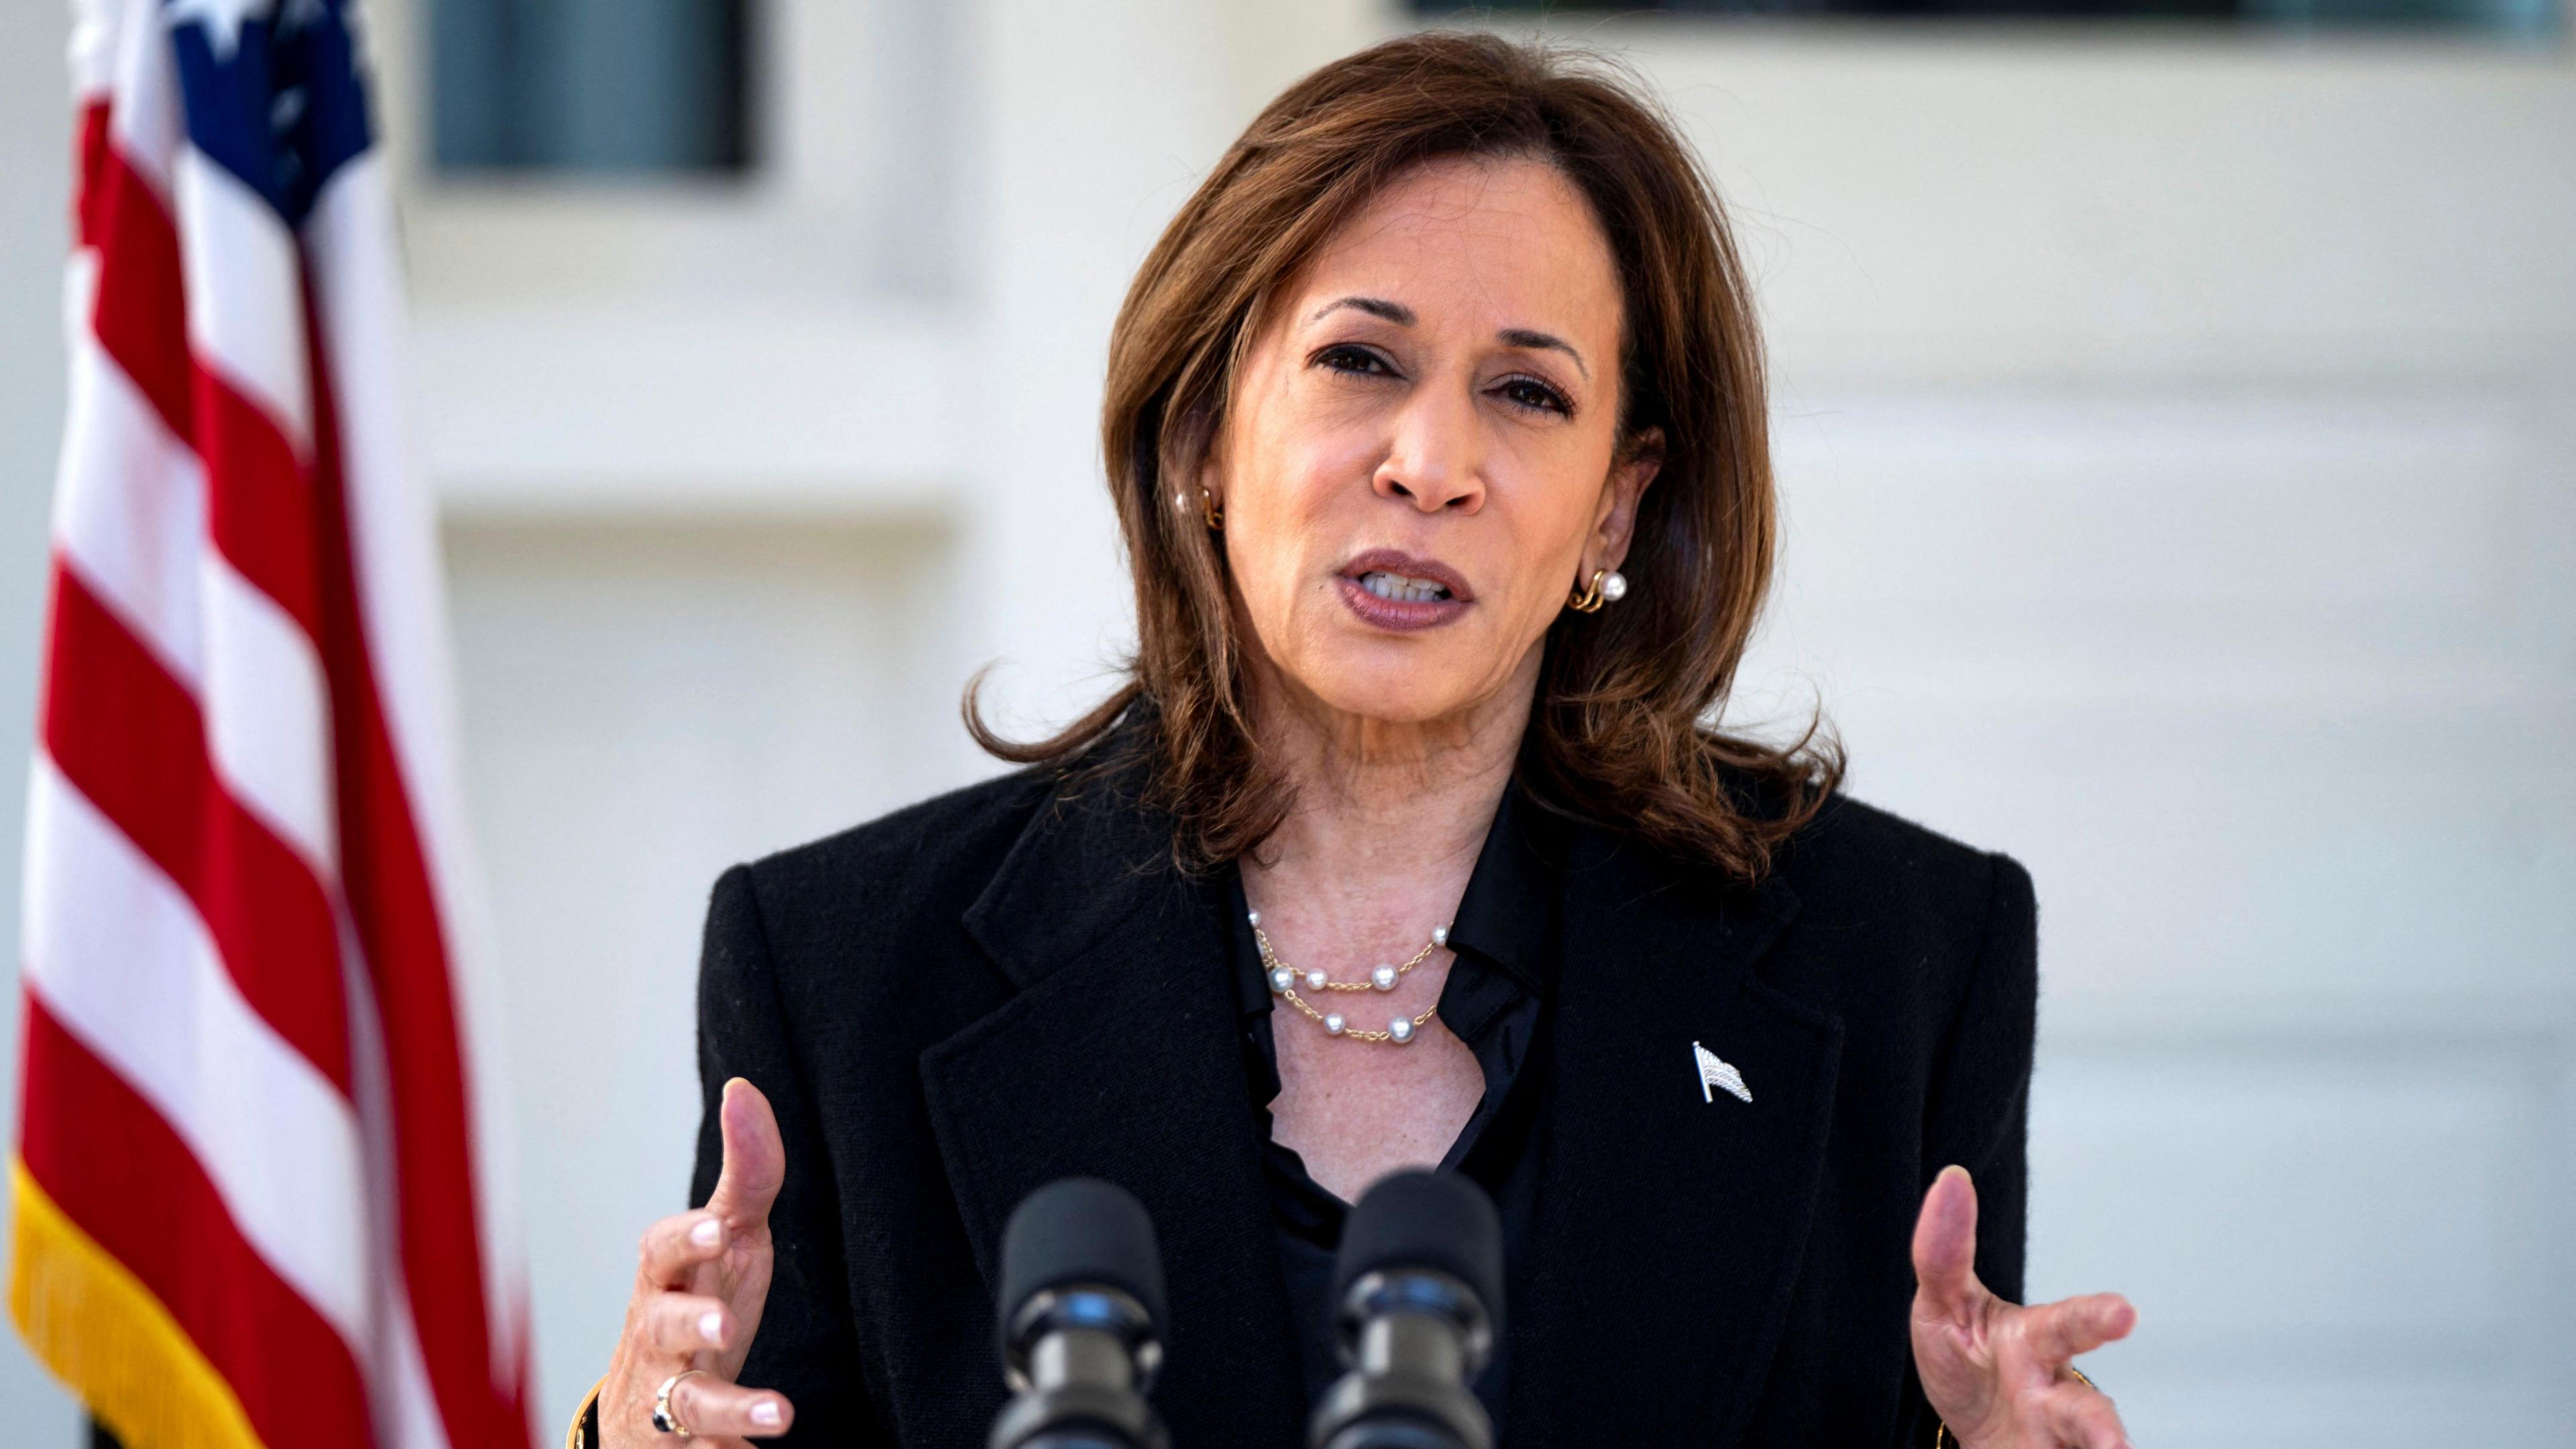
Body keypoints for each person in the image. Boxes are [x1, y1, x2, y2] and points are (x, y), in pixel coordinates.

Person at [574, 31, 2137, 1449]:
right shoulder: (845, 969)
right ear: (1204, 430)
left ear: (1616, 500)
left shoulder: (1901, 957)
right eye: (1360, 360)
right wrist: (624, 1440)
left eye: (1527, 392)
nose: (1434, 461)